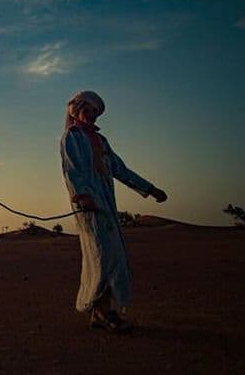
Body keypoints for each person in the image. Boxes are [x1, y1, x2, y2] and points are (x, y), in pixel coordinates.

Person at [59, 90, 168, 333]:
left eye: (96, 112)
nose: (92, 115)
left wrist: (149, 189)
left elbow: (119, 169)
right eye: (88, 110)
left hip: (106, 202)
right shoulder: (72, 136)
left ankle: (100, 311)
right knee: (103, 256)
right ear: (77, 110)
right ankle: (103, 312)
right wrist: (81, 195)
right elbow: (71, 169)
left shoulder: (101, 140)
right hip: (88, 205)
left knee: (111, 255)